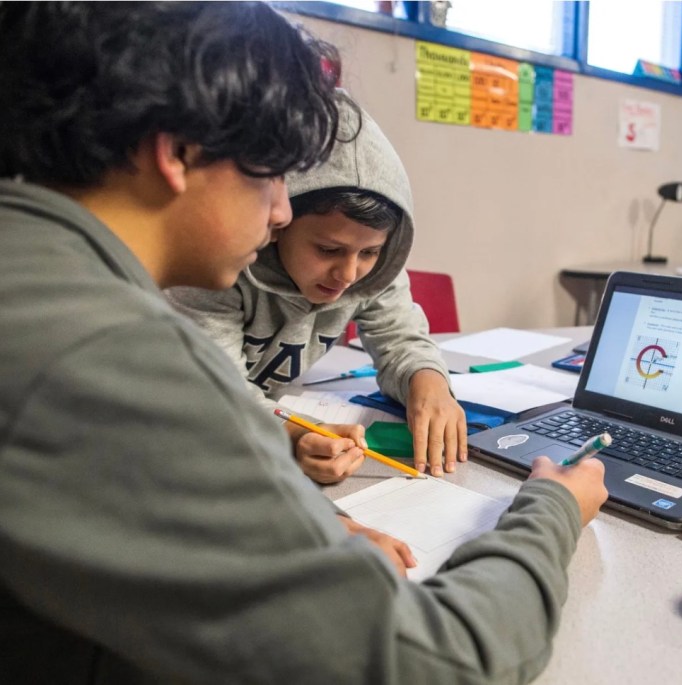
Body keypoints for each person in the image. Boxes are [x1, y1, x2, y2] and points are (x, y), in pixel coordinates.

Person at [0, 3, 608, 682]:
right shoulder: (110, 357)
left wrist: (269, 537)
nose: (283, 209)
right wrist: (551, 512)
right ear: (177, 152)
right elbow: (439, 664)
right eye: (270, 173)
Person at [167, 93, 465, 482]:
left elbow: (401, 340)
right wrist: (290, 435)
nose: (348, 273)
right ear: (280, 223)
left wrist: (428, 381)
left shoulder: (370, 270)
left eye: (371, 251)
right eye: (328, 249)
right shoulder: (219, 269)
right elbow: (212, 391)